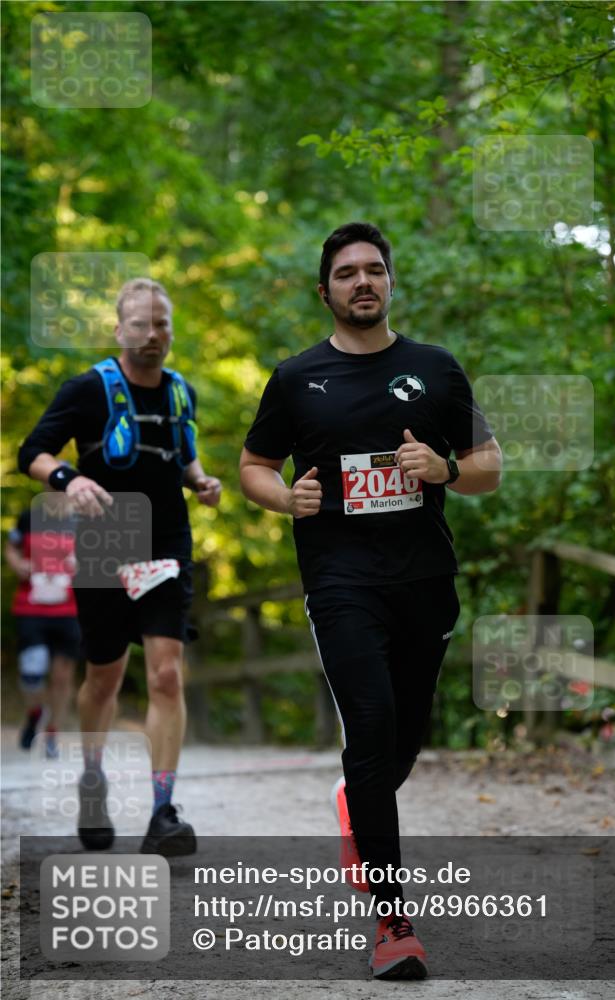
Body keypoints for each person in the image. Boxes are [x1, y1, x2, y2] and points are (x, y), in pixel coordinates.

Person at [240, 222, 502, 980]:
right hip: (339, 582)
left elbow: (489, 466)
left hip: (424, 584)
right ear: (324, 291)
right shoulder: (296, 379)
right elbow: (254, 464)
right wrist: (284, 497)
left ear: (390, 283)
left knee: (402, 743)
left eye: (374, 270)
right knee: (372, 723)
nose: (363, 282)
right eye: (347, 273)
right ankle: (392, 924)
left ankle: (357, 796)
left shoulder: (435, 369)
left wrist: (444, 470)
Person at [18, 278, 221, 855]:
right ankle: (91, 778)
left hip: (166, 543)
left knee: (165, 674)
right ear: (118, 329)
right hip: (108, 540)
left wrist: (201, 480)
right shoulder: (88, 389)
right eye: (140, 323)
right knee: (104, 675)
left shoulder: (181, 392)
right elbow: (31, 451)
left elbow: (184, 456)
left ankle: (163, 810)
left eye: (162, 324)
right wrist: (70, 477)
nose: (152, 334)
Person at [6, 506, 80, 758]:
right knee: (31, 672)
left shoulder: (80, 520)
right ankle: (35, 712)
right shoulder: (28, 517)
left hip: (68, 610)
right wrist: (18, 564)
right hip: (31, 607)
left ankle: (52, 732)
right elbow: (10, 547)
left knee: (62, 677)